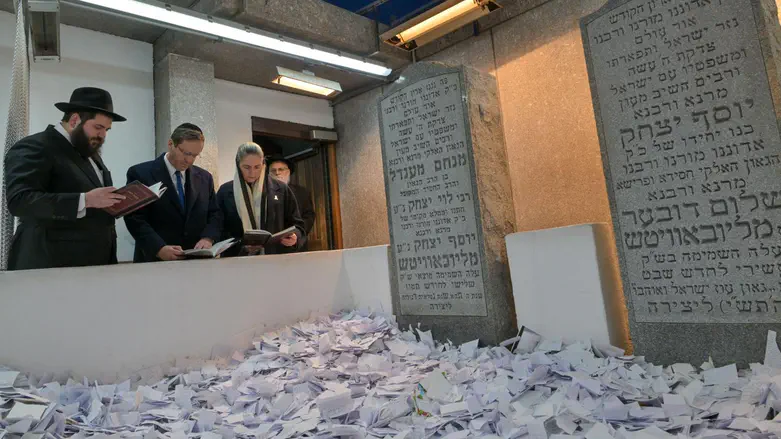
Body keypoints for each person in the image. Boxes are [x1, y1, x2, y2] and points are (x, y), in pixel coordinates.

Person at [4, 87, 127, 270]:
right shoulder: (36, 146)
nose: (103, 135)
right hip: (50, 264)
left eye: (107, 129)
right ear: (75, 119)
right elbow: (20, 201)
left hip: (94, 263)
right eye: (98, 127)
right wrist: (85, 200)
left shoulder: (88, 152)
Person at [124, 123, 222, 262]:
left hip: (195, 262)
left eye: (195, 155)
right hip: (154, 261)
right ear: (171, 144)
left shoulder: (205, 178)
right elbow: (134, 218)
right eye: (186, 153)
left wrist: (208, 238)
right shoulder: (140, 173)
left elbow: (215, 214)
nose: (189, 160)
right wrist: (159, 248)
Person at [217, 143, 305, 256]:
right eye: (246, 167)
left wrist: (295, 237)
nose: (252, 173)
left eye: (257, 167)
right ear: (238, 165)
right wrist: (240, 244)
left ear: (263, 164)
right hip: (237, 261)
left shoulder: (281, 189)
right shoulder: (225, 192)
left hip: (274, 260)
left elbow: (298, 225)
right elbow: (218, 228)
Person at [268, 156, 315, 251]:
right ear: (268, 174)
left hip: (296, 244)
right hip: (273, 246)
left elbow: (309, 216)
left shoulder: (302, 192)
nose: (277, 173)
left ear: (288, 172)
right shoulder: (264, 194)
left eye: (281, 169)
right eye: (273, 170)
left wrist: (296, 234)